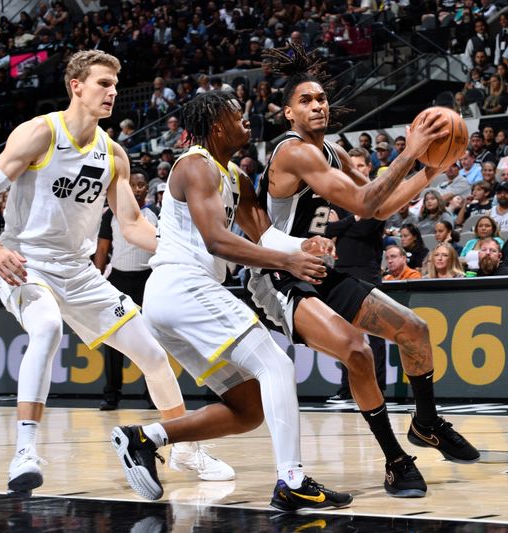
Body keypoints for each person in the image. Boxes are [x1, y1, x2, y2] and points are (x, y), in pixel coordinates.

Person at [0, 51, 229, 495]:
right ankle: (24, 451)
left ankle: (183, 447)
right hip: (25, 262)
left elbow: (131, 224)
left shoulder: (114, 154)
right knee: (46, 327)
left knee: (153, 353)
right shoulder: (40, 133)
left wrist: (183, 250)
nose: (112, 92)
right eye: (104, 83)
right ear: (77, 86)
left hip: (80, 272)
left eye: (114, 85)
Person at [250, 43, 480, 499]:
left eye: (321, 99)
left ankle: (427, 423)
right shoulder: (293, 152)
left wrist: (433, 169)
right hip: (277, 273)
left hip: (317, 270)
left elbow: (381, 205)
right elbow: (364, 203)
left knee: (415, 331)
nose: (317, 105)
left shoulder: (331, 152)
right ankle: (396, 461)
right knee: (357, 350)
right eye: (305, 101)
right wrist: (412, 151)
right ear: (288, 114)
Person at [111, 92, 352, 509]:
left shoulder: (233, 176)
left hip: (174, 301)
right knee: (275, 364)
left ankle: (146, 438)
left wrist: (302, 244)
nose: (246, 119)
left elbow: (263, 234)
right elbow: (217, 241)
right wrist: (288, 262)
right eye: (236, 114)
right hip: (184, 286)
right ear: (217, 124)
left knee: (247, 408)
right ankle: (291, 480)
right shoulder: (194, 165)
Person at [324, 147, 388, 403]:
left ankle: (378, 390)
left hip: (367, 271)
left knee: (377, 335)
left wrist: (342, 224)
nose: (357, 170)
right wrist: (353, 219)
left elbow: (366, 229)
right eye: (353, 165)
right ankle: (346, 389)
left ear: (368, 168)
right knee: (344, 336)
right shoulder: (334, 197)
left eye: (361, 166)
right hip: (339, 272)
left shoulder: (377, 197)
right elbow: (324, 229)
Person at [93, 169, 158, 412]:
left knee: (152, 340)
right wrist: (98, 278)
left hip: (148, 280)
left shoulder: (156, 215)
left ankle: (154, 395)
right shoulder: (111, 214)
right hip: (119, 280)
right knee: (114, 339)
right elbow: (102, 250)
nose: (138, 188)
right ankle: (111, 395)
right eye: (133, 184)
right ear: (126, 188)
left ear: (147, 189)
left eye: (142, 185)